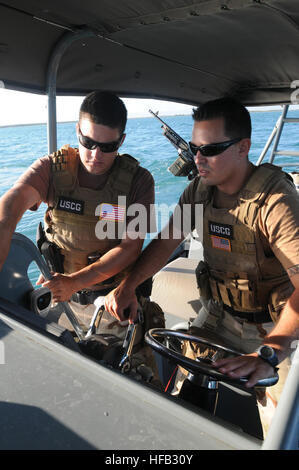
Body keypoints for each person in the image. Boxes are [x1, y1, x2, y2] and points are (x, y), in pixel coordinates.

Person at [105, 97, 299, 437]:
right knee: (182, 405)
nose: (197, 159)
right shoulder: (199, 191)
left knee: (284, 431)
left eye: (209, 150)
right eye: (195, 148)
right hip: (220, 315)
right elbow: (167, 241)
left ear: (243, 147)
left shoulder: (275, 203)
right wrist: (129, 285)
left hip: (277, 325)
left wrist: (270, 353)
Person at [0, 91, 164, 369]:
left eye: (107, 147)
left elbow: (130, 247)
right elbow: (10, 208)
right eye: (87, 142)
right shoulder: (52, 169)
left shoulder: (138, 181)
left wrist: (74, 281)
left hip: (113, 301)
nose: (95, 155)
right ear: (77, 131)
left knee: (130, 377)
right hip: (59, 299)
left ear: (121, 141)